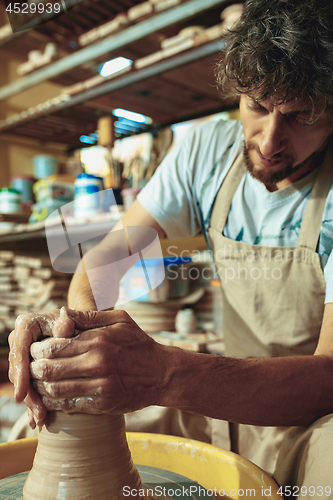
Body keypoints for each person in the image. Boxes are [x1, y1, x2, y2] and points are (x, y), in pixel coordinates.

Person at [8, 0, 333, 493]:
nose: (269, 141)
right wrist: (72, 334)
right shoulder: (207, 150)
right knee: (34, 434)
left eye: (300, 115)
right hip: (222, 396)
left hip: (310, 415)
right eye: (259, 107)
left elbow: (326, 379)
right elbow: (107, 264)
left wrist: (163, 374)